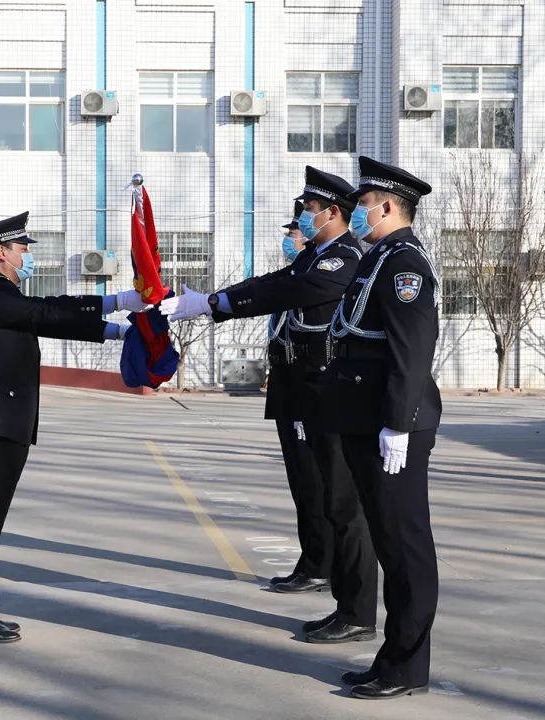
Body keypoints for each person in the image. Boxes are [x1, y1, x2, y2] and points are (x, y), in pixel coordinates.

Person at [0, 211, 143, 644]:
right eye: (23, 249)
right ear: (2, 253)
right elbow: (45, 315)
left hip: (0, 430)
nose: (28, 256)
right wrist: (115, 330)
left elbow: (49, 309)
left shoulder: (4, 294)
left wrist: (118, 302)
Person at [161, 193, 338, 597]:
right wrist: (212, 301)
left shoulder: (339, 258)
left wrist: (213, 303)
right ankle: (314, 561)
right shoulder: (306, 261)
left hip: (317, 388)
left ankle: (325, 565)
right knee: (303, 481)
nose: (297, 232)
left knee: (320, 483)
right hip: (292, 383)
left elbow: (280, 294)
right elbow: (269, 285)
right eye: (297, 226)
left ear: (331, 213)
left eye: (303, 220)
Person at [321, 156, 442, 700]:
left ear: (389, 206)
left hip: (393, 422)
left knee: (403, 543)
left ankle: (406, 665)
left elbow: (410, 350)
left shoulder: (404, 264)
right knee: (389, 541)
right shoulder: (380, 258)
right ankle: (392, 655)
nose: (358, 212)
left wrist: (397, 423)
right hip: (368, 416)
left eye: (364, 204)